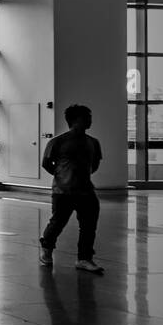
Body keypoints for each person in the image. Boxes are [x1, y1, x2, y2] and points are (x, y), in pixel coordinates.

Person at [39, 104, 105, 274]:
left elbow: (95, 164)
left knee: (89, 226)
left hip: (86, 191)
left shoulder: (93, 142)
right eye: (86, 117)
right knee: (57, 223)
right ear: (75, 120)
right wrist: (61, 176)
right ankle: (46, 249)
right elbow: (46, 163)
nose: (90, 121)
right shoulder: (57, 142)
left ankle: (84, 258)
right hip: (63, 192)